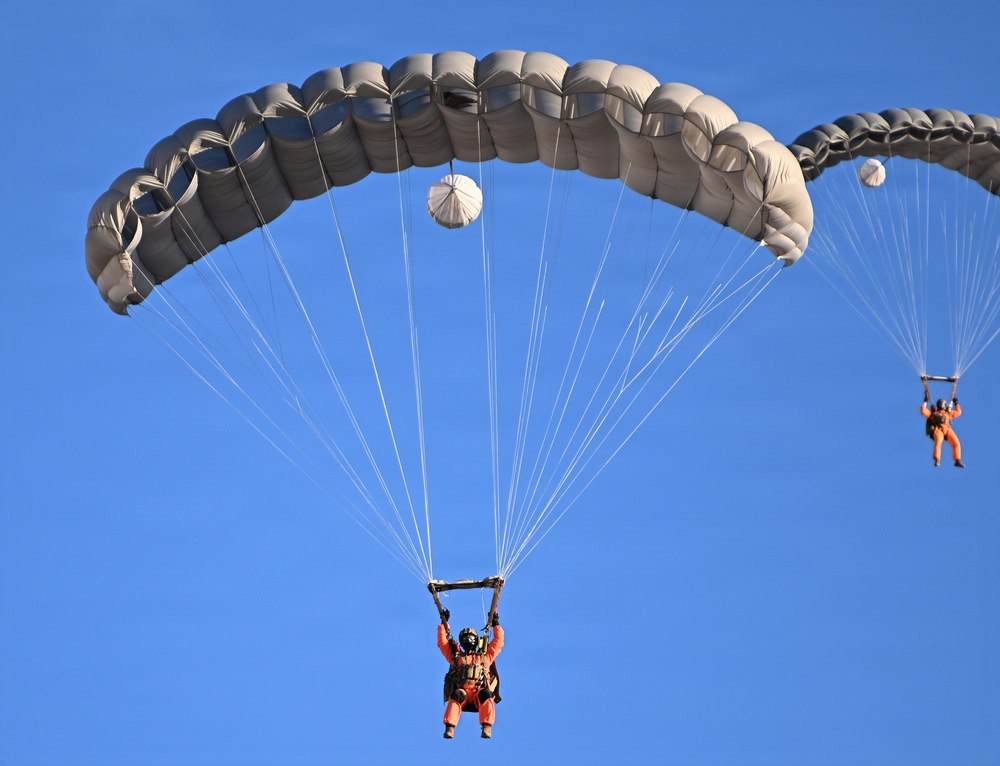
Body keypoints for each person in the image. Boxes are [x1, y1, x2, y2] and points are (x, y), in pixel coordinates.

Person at [437, 608, 503, 739]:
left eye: (471, 638)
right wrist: (443, 625)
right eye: (465, 638)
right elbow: (442, 643)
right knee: (456, 695)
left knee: (487, 694)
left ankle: (486, 726)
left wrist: (496, 623)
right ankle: (450, 727)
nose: (468, 640)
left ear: (476, 640)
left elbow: (498, 641)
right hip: (463, 692)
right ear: (461, 642)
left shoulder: (485, 656)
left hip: (479, 692)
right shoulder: (456, 657)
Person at [921, 395, 964, 467]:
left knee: (956, 443)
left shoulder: (948, 413)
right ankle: (937, 459)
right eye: (941, 404)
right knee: (938, 443)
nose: (942, 405)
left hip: (947, 429)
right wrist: (925, 402)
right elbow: (923, 411)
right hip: (939, 429)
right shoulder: (933, 413)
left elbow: (958, 412)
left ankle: (957, 460)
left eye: (943, 404)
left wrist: (956, 403)